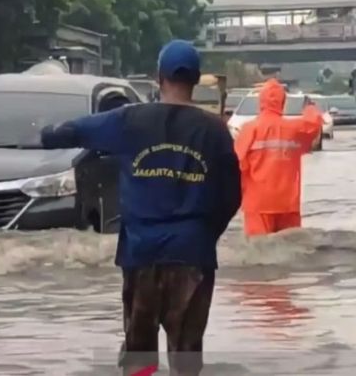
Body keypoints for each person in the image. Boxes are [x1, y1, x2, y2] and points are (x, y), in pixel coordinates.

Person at [41, 40, 241, 376]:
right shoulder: (216, 131)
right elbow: (232, 196)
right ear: (194, 80)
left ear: (159, 77)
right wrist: (205, 234)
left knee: (140, 357)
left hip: (141, 254)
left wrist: (46, 134)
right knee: (187, 359)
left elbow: (73, 132)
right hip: (192, 254)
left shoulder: (129, 121)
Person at [234, 79, 322, 237]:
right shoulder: (294, 129)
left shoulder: (249, 129)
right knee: (291, 249)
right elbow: (314, 123)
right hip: (288, 204)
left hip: (258, 204)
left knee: (258, 251)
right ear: (283, 102)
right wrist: (310, 107)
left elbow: (235, 165)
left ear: (261, 101)